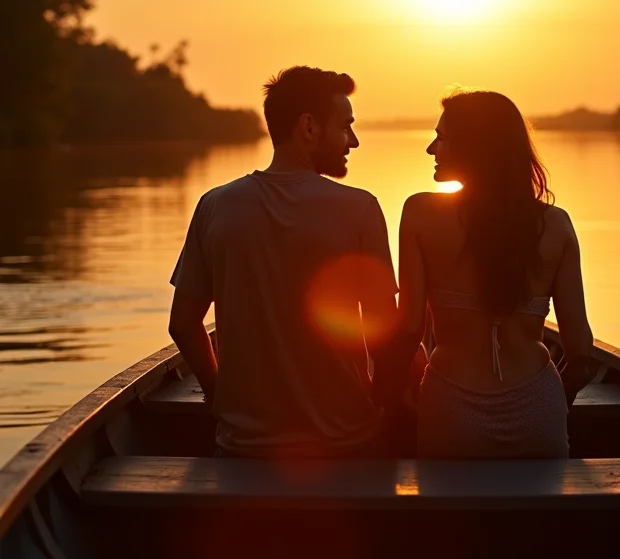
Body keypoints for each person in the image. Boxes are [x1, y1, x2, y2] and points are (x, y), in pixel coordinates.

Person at [168, 66, 402, 458]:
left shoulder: (215, 205)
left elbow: (183, 324)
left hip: (242, 445)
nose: (354, 141)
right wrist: (392, 404)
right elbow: (387, 338)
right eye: (345, 127)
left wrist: (219, 398)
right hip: (346, 442)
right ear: (308, 127)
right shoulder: (360, 208)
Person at [398, 89, 594, 458]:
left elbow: (409, 330)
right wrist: (555, 401)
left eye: (441, 138)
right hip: (537, 405)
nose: (431, 149)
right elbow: (580, 350)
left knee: (450, 514)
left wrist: (404, 393)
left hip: (450, 403)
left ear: (473, 147)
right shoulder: (556, 225)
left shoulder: (420, 214)